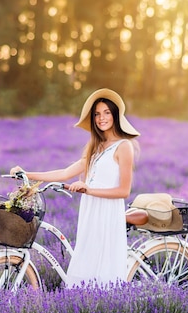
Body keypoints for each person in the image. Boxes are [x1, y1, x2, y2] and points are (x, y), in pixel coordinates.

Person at [10, 88, 139, 288]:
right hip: (90, 212)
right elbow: (64, 173)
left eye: (106, 112)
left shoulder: (124, 146)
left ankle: (109, 309)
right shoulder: (96, 147)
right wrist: (27, 174)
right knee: (86, 260)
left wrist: (88, 189)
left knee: (103, 270)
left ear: (115, 115)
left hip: (107, 213)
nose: (101, 118)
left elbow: (124, 191)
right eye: (97, 114)